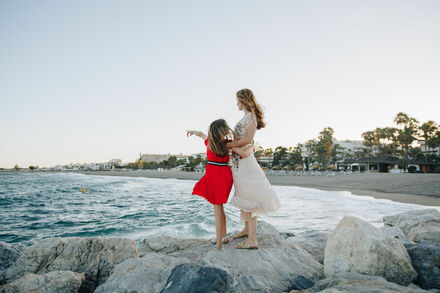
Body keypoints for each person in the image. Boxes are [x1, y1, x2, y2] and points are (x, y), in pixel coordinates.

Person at [187, 119, 253, 250]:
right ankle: (223, 236)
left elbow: (201, 134)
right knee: (220, 208)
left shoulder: (210, 143)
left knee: (217, 210)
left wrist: (193, 132)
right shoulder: (227, 144)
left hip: (215, 175)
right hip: (225, 174)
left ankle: (219, 244)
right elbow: (201, 134)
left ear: (212, 132)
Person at [227, 89, 281, 250]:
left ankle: (252, 239)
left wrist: (231, 145)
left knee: (250, 196)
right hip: (238, 162)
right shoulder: (245, 117)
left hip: (245, 162)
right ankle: (246, 230)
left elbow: (249, 139)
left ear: (243, 100)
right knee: (243, 193)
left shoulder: (251, 117)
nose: (236, 103)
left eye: (237, 100)